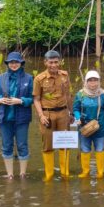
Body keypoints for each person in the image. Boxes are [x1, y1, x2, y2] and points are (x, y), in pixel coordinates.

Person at [0, 51, 34, 179]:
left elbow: (33, 99)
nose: (14, 64)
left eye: (16, 62)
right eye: (11, 62)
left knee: (22, 145)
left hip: (22, 118)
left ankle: (22, 173)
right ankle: (9, 174)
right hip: (5, 118)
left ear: (21, 63)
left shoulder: (29, 78)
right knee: (6, 145)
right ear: (8, 64)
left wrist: (21, 101)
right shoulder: (1, 78)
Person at [32, 50, 72, 181]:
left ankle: (65, 172)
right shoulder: (39, 79)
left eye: (56, 62)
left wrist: (70, 113)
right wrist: (41, 115)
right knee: (47, 145)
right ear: (45, 62)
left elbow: (68, 95)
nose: (53, 65)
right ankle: (49, 174)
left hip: (63, 113)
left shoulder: (65, 75)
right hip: (47, 114)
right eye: (51, 62)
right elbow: (36, 99)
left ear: (60, 62)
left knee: (64, 143)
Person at [74, 71, 104, 179]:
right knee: (85, 149)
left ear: (99, 81)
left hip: (100, 128)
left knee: (100, 149)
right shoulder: (80, 94)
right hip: (84, 128)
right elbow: (76, 109)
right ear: (86, 82)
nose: (93, 83)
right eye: (90, 80)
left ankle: (100, 172)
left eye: (95, 80)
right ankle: (86, 171)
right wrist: (77, 118)